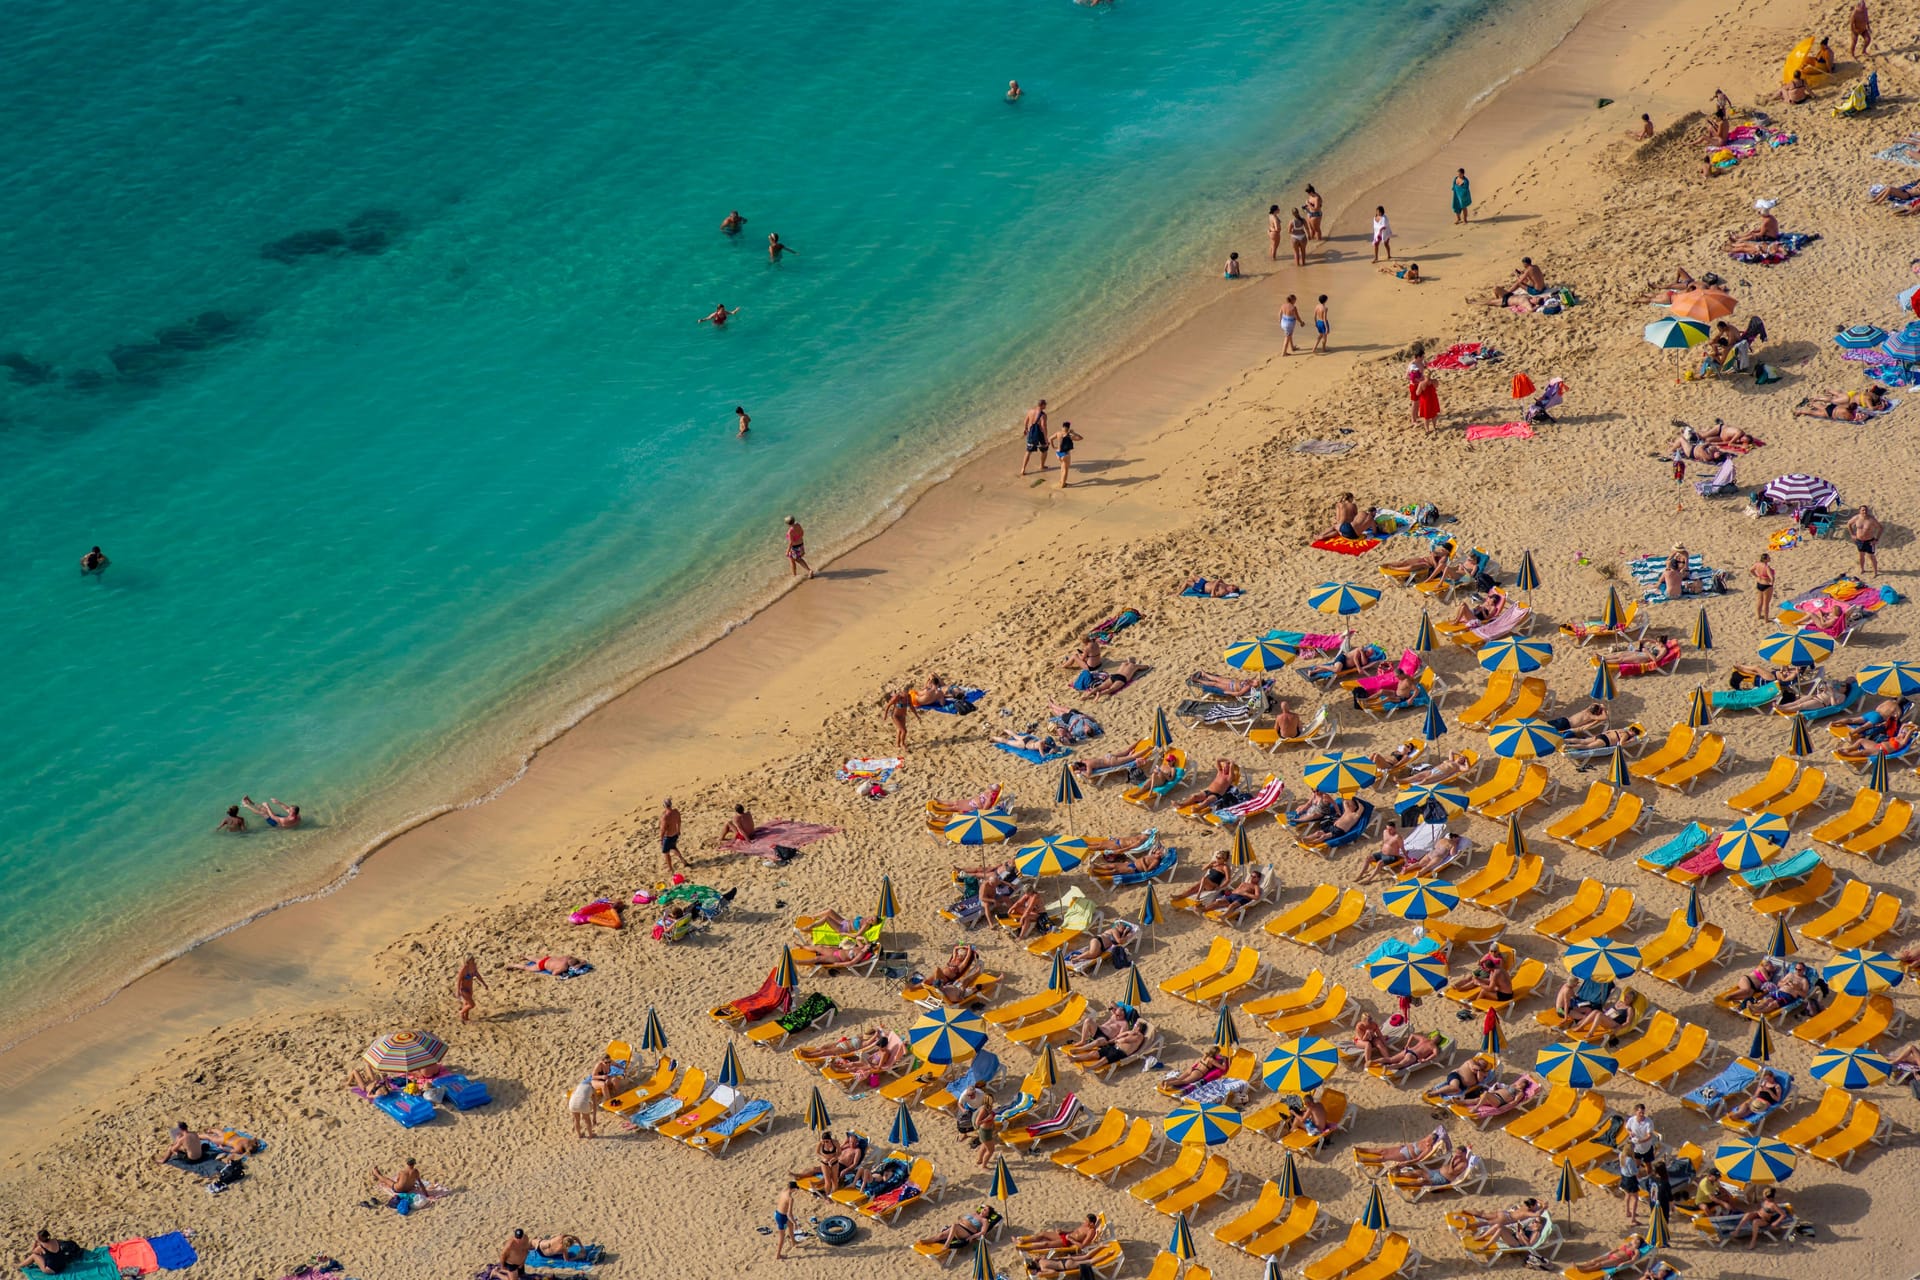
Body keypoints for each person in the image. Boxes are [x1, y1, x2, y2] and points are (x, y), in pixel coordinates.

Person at [920, 1205, 999, 1250]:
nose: (982, 1210)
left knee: (954, 1226)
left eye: (985, 1210)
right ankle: (926, 1241)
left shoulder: (984, 1220)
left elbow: (983, 1232)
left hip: (967, 1233)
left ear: (987, 1214)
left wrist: (972, 1236)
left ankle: (947, 1244)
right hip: (959, 1228)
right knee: (941, 1235)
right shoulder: (974, 1213)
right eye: (983, 1209)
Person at [1018, 1215, 1101, 1252]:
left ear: (1092, 1224)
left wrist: (1071, 1240)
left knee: (1046, 1243)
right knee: (1043, 1233)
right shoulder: (1084, 1225)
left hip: (1068, 1241)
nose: (1084, 1222)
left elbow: (1082, 1246)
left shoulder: (1091, 1232)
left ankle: (1028, 1248)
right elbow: (1074, 1231)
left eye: (1086, 1221)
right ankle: (1024, 1241)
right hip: (1066, 1235)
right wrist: (1063, 1232)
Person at [1427, 1055, 1492, 1101]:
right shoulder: (1471, 1061)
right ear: (1477, 1061)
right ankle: (1435, 1092)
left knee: (1457, 1090)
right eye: (1480, 1062)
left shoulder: (1482, 1072)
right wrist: (1477, 1068)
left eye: (1484, 1065)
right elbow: (1472, 1067)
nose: (1481, 1065)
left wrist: (1479, 1071)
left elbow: (1480, 1080)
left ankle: (1442, 1092)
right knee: (1454, 1087)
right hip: (1457, 1076)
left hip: (1462, 1086)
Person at [1573, 1236, 1645, 1272]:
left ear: (1639, 1244)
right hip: (1611, 1255)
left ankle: (1585, 1269)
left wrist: (1624, 1263)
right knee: (1594, 1261)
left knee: (1599, 1264)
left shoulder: (1636, 1251)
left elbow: (1633, 1260)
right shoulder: (1626, 1245)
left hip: (1618, 1260)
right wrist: (1610, 1252)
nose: (1635, 1240)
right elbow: (1617, 1249)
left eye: (1637, 1241)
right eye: (1634, 1239)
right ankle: (1581, 1266)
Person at [1848, 504, 1882, 575]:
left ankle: (1875, 572)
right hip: (1859, 540)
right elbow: (1849, 524)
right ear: (1860, 511)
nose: (1864, 511)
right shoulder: (1856, 518)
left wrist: (1876, 539)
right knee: (1861, 555)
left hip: (1869, 541)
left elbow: (1880, 528)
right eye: (1863, 510)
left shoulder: (1871, 519)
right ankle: (1862, 569)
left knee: (1871, 557)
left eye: (1866, 510)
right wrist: (1852, 534)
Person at [1019, 398, 1050, 475]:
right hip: (1039, 435)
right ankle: (1042, 465)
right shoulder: (1043, 415)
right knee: (1044, 450)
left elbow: (1025, 421)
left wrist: (1025, 428)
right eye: (1045, 404)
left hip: (1031, 433)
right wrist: (1046, 438)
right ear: (1042, 405)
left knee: (1028, 451)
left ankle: (1023, 469)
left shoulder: (1030, 411)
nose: (1046, 406)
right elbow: (1043, 427)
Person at [456, 955, 488, 1023]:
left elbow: (478, 975)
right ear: (468, 961)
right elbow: (459, 980)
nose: (473, 960)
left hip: (470, 988)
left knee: (467, 1003)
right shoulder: (464, 969)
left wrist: (484, 984)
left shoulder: (474, 967)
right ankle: (461, 1012)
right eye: (471, 959)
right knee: (472, 1005)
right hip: (463, 989)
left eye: (473, 959)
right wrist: (458, 991)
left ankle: (465, 1018)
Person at [1051, 421, 1083, 488]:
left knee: (1062, 467)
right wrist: (1073, 433)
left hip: (1058, 453)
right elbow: (1080, 438)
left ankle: (1061, 480)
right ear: (1068, 428)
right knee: (1065, 469)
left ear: (1062, 427)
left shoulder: (1058, 433)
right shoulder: (1070, 436)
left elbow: (1050, 439)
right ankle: (1063, 484)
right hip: (1065, 454)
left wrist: (1053, 447)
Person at [774, 1181, 797, 1260]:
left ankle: (793, 1242)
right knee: (782, 1237)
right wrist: (795, 1223)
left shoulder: (784, 1192)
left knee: (790, 1225)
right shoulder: (790, 1199)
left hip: (777, 1213)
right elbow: (790, 1214)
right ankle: (778, 1255)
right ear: (793, 1189)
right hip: (782, 1217)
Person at [1751, 553, 1775, 621]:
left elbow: (1751, 570)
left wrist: (1757, 576)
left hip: (1759, 583)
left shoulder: (1757, 564)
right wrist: (1771, 584)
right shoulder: (1766, 567)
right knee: (1766, 603)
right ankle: (1766, 619)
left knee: (1759, 601)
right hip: (1766, 585)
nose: (1770, 558)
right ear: (1765, 559)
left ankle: (1758, 616)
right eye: (1768, 557)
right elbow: (1771, 577)